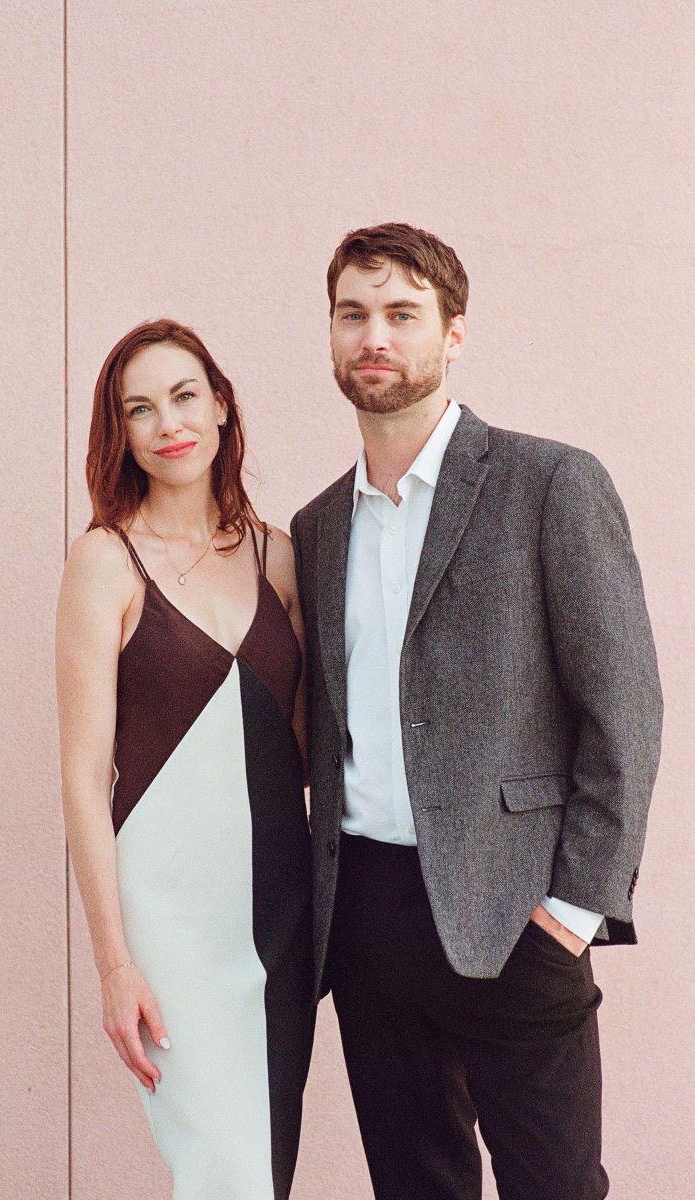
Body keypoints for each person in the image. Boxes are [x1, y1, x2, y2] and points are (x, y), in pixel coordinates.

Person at [290, 223, 663, 1200]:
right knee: (417, 1187)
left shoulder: (549, 483)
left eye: (402, 314)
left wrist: (574, 910)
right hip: (367, 923)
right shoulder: (318, 526)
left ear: (453, 334)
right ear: (330, 334)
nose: (374, 335)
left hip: (515, 915)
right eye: (353, 314)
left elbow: (623, 705)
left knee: (556, 1187)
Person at [55, 319, 314, 1200]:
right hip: (169, 920)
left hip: (280, 910)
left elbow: (315, 748)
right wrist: (115, 964)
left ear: (221, 404)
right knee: (222, 1169)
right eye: (140, 408)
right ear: (119, 433)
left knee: (263, 1168)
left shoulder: (281, 555)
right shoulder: (105, 563)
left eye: (184, 395)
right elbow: (86, 783)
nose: (168, 421)